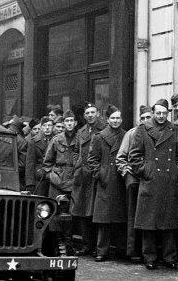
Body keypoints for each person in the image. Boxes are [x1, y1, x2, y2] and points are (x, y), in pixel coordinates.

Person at [128, 99, 178, 270]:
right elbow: (134, 156)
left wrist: (176, 171)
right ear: (153, 113)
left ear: (168, 113)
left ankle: (169, 257)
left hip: (169, 181)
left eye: (164, 113)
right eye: (158, 113)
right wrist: (147, 171)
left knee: (169, 223)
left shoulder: (174, 129)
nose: (161, 116)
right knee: (149, 223)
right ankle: (149, 257)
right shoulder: (143, 129)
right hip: (150, 182)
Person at [88, 105, 127, 262]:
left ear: (121, 119)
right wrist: (100, 174)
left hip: (120, 181)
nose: (116, 121)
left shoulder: (126, 135)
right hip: (105, 182)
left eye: (118, 118)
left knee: (120, 220)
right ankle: (101, 251)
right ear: (107, 119)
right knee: (104, 221)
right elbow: (92, 160)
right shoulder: (99, 137)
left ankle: (121, 250)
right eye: (113, 118)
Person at [115, 105, 152, 262]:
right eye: (142, 118)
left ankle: (149, 251)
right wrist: (127, 172)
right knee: (133, 215)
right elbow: (120, 157)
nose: (144, 121)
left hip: (150, 178)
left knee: (148, 215)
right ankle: (132, 250)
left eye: (147, 118)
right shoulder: (131, 134)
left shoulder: (155, 133)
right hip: (134, 179)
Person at [42, 110, 78, 255]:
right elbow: (47, 163)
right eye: (67, 121)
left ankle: (68, 244)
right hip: (58, 181)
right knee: (55, 214)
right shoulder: (56, 140)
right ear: (63, 123)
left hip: (74, 180)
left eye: (71, 121)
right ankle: (57, 244)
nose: (69, 123)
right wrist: (53, 176)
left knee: (71, 215)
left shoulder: (80, 139)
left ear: (75, 123)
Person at [72, 102, 105, 256]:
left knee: (96, 213)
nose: (90, 115)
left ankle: (99, 247)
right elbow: (75, 150)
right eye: (87, 113)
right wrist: (76, 165)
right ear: (84, 116)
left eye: (93, 112)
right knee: (83, 212)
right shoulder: (81, 132)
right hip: (83, 176)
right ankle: (87, 245)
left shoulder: (104, 129)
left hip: (97, 176)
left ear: (98, 113)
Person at [25, 117, 54, 196]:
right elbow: (30, 163)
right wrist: (30, 183)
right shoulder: (34, 141)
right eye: (44, 125)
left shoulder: (56, 140)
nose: (47, 128)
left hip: (53, 177)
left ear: (53, 127)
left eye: (49, 125)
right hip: (39, 178)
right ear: (41, 127)